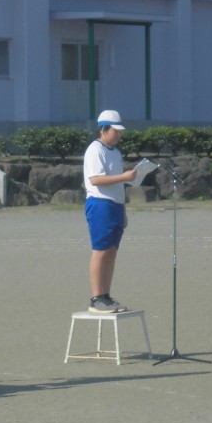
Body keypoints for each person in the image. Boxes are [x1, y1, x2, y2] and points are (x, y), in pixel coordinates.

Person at [83, 110, 137, 313]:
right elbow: (95, 179)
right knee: (101, 250)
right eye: (115, 131)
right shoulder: (95, 150)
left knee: (112, 251)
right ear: (103, 129)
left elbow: (117, 184)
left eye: (120, 131)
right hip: (100, 204)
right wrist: (124, 177)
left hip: (115, 205)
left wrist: (123, 211)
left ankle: (106, 295)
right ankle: (96, 297)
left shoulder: (115, 152)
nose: (118, 134)